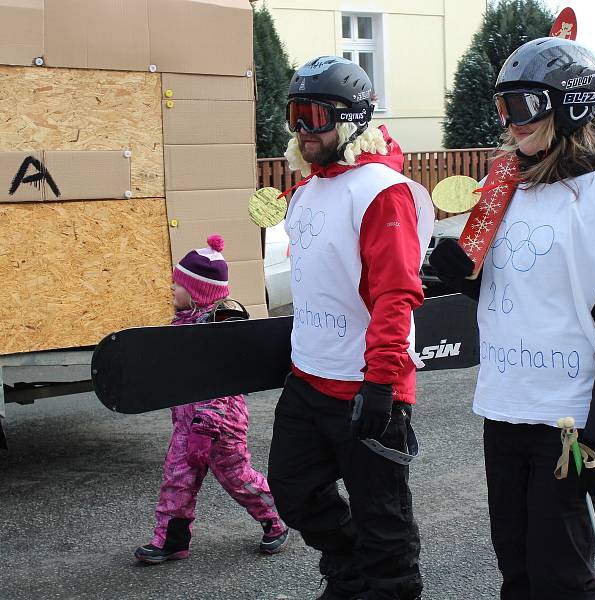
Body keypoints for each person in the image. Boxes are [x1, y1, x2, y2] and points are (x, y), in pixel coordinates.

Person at [429, 38, 595, 599]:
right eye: (502, 107)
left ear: (570, 106)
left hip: (568, 420)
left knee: (562, 573)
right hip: (507, 405)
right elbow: (511, 288)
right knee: (516, 564)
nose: (511, 123)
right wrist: (458, 273)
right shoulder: (509, 186)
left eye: (523, 107)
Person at [267, 56, 434, 600]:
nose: (303, 131)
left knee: (382, 515)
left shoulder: (382, 190)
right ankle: (350, 570)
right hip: (310, 377)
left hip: (366, 382)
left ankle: (387, 587)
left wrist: (382, 381)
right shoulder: (308, 191)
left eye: (316, 116)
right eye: (295, 116)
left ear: (351, 120)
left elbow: (396, 293)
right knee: (292, 492)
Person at [134, 235, 288, 564]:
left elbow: (222, 383)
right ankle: (171, 540)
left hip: (221, 424)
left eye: (178, 285)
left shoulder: (221, 327)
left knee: (237, 478)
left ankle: (276, 520)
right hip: (189, 423)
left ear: (198, 292)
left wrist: (206, 426)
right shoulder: (184, 324)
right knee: (177, 478)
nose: (172, 290)